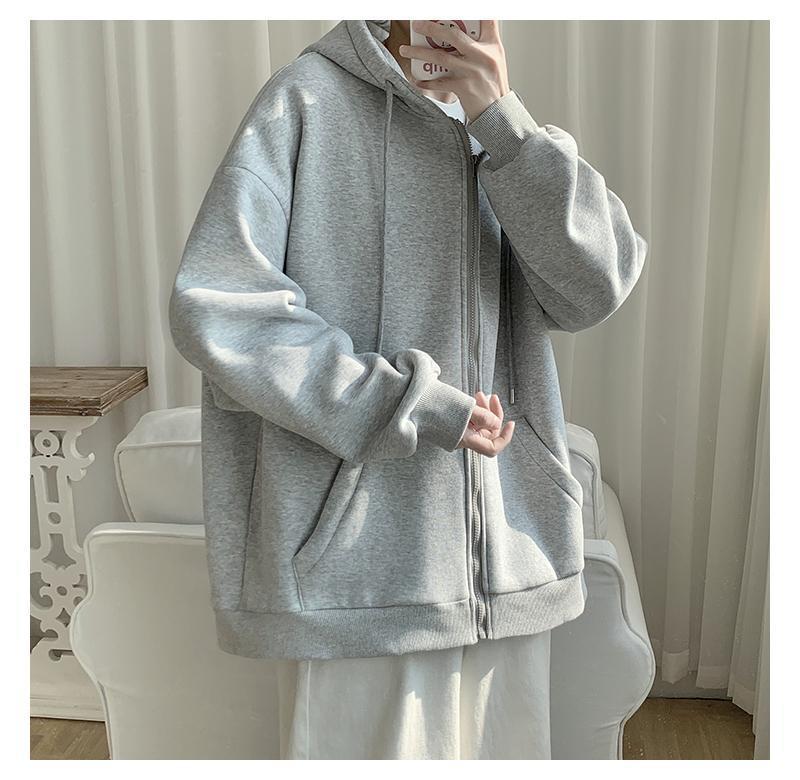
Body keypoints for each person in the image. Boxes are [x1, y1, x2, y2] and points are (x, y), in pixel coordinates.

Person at [168, 19, 647, 758]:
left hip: (508, 573)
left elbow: (595, 289)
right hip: (356, 582)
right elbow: (219, 308)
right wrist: (404, 403)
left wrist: (505, 127)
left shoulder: (504, 131)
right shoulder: (304, 101)